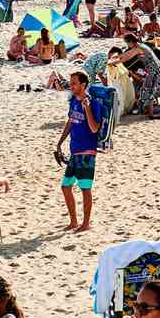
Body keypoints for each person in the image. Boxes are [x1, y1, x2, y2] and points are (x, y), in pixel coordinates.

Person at [55, 72, 101, 232]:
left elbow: (95, 128)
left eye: (74, 83)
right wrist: (60, 142)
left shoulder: (93, 103)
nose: (71, 85)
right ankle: (74, 221)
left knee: (85, 188)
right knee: (65, 186)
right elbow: (70, 121)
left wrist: (87, 108)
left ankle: (86, 223)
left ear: (83, 85)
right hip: (75, 151)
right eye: (71, 82)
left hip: (87, 152)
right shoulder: (73, 101)